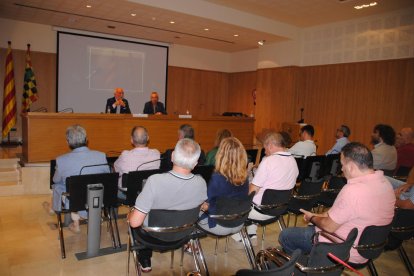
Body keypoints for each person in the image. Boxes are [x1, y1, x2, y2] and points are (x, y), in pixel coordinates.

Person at [279, 142, 395, 264]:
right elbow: (343, 213)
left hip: (342, 249)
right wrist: (321, 216)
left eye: (343, 164)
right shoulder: (385, 183)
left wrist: (312, 217)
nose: (341, 169)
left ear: (351, 167)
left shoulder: (353, 190)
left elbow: (329, 227)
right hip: (367, 249)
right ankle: (314, 261)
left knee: (286, 235)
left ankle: (309, 267)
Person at [128, 138, 207, 272]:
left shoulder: (154, 181)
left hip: (153, 236)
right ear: (195, 164)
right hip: (183, 235)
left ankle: (145, 259)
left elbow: (134, 223)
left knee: (138, 215)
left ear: (172, 156)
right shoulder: (201, 183)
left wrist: (130, 214)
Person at [232, 132, 298, 241]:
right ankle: (252, 233)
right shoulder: (293, 161)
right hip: (280, 209)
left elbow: (252, 191)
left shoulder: (268, 161)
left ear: (270, 145)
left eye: (265, 148)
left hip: (260, 211)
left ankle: (235, 233)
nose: (265, 151)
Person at [51, 125, 110, 233]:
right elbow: (108, 176)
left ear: (68, 142)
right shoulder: (101, 156)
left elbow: (55, 180)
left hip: (75, 199)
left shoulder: (61, 160)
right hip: (98, 199)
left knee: (59, 186)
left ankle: (75, 221)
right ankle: (87, 217)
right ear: (86, 139)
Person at [198, 137, 249, 235]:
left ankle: (191, 247)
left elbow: (209, 206)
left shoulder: (217, 178)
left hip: (219, 224)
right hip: (238, 223)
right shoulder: (245, 177)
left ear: (221, 155)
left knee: (189, 212)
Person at [114, 126, 160, 199]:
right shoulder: (156, 153)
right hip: (150, 192)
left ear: (132, 140)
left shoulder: (125, 155)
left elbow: (116, 169)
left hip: (128, 195)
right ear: (148, 138)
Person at [384, 167, 414, 250]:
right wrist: (410, 183)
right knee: (382, 179)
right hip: (408, 192)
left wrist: (390, 197)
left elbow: (407, 206)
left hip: (403, 218)